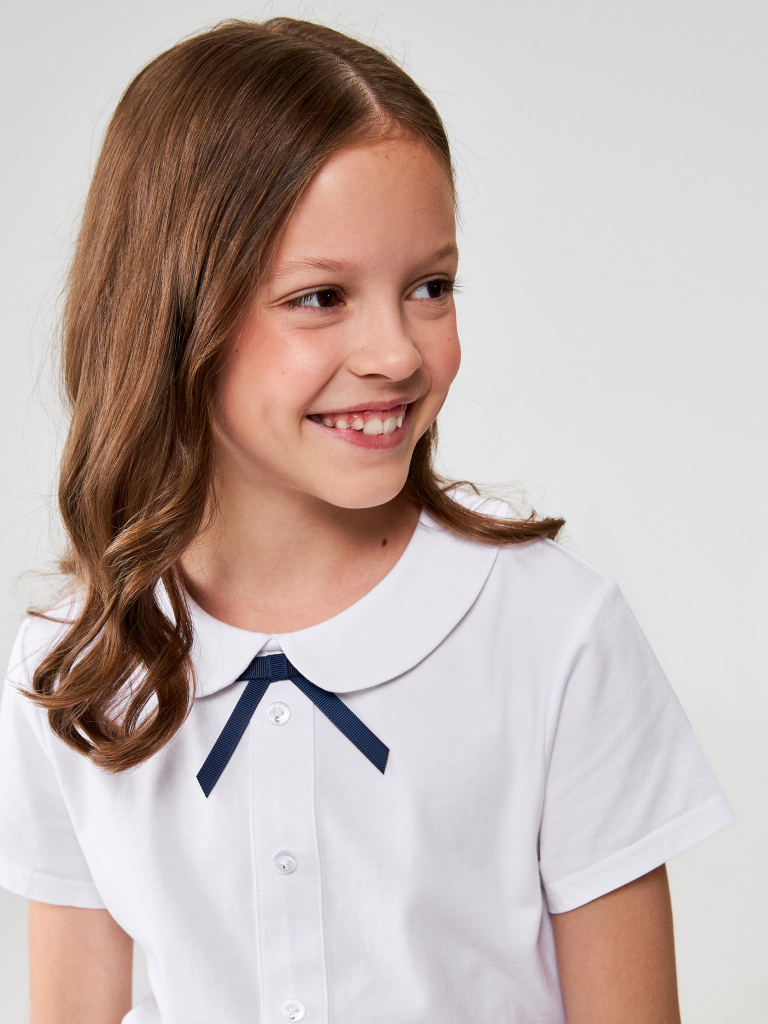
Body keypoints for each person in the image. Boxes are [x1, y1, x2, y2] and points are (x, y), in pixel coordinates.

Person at [0, 17, 734, 1024]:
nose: (396, 352)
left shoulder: (552, 631)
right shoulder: (78, 665)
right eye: (320, 297)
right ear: (170, 313)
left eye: (431, 286)